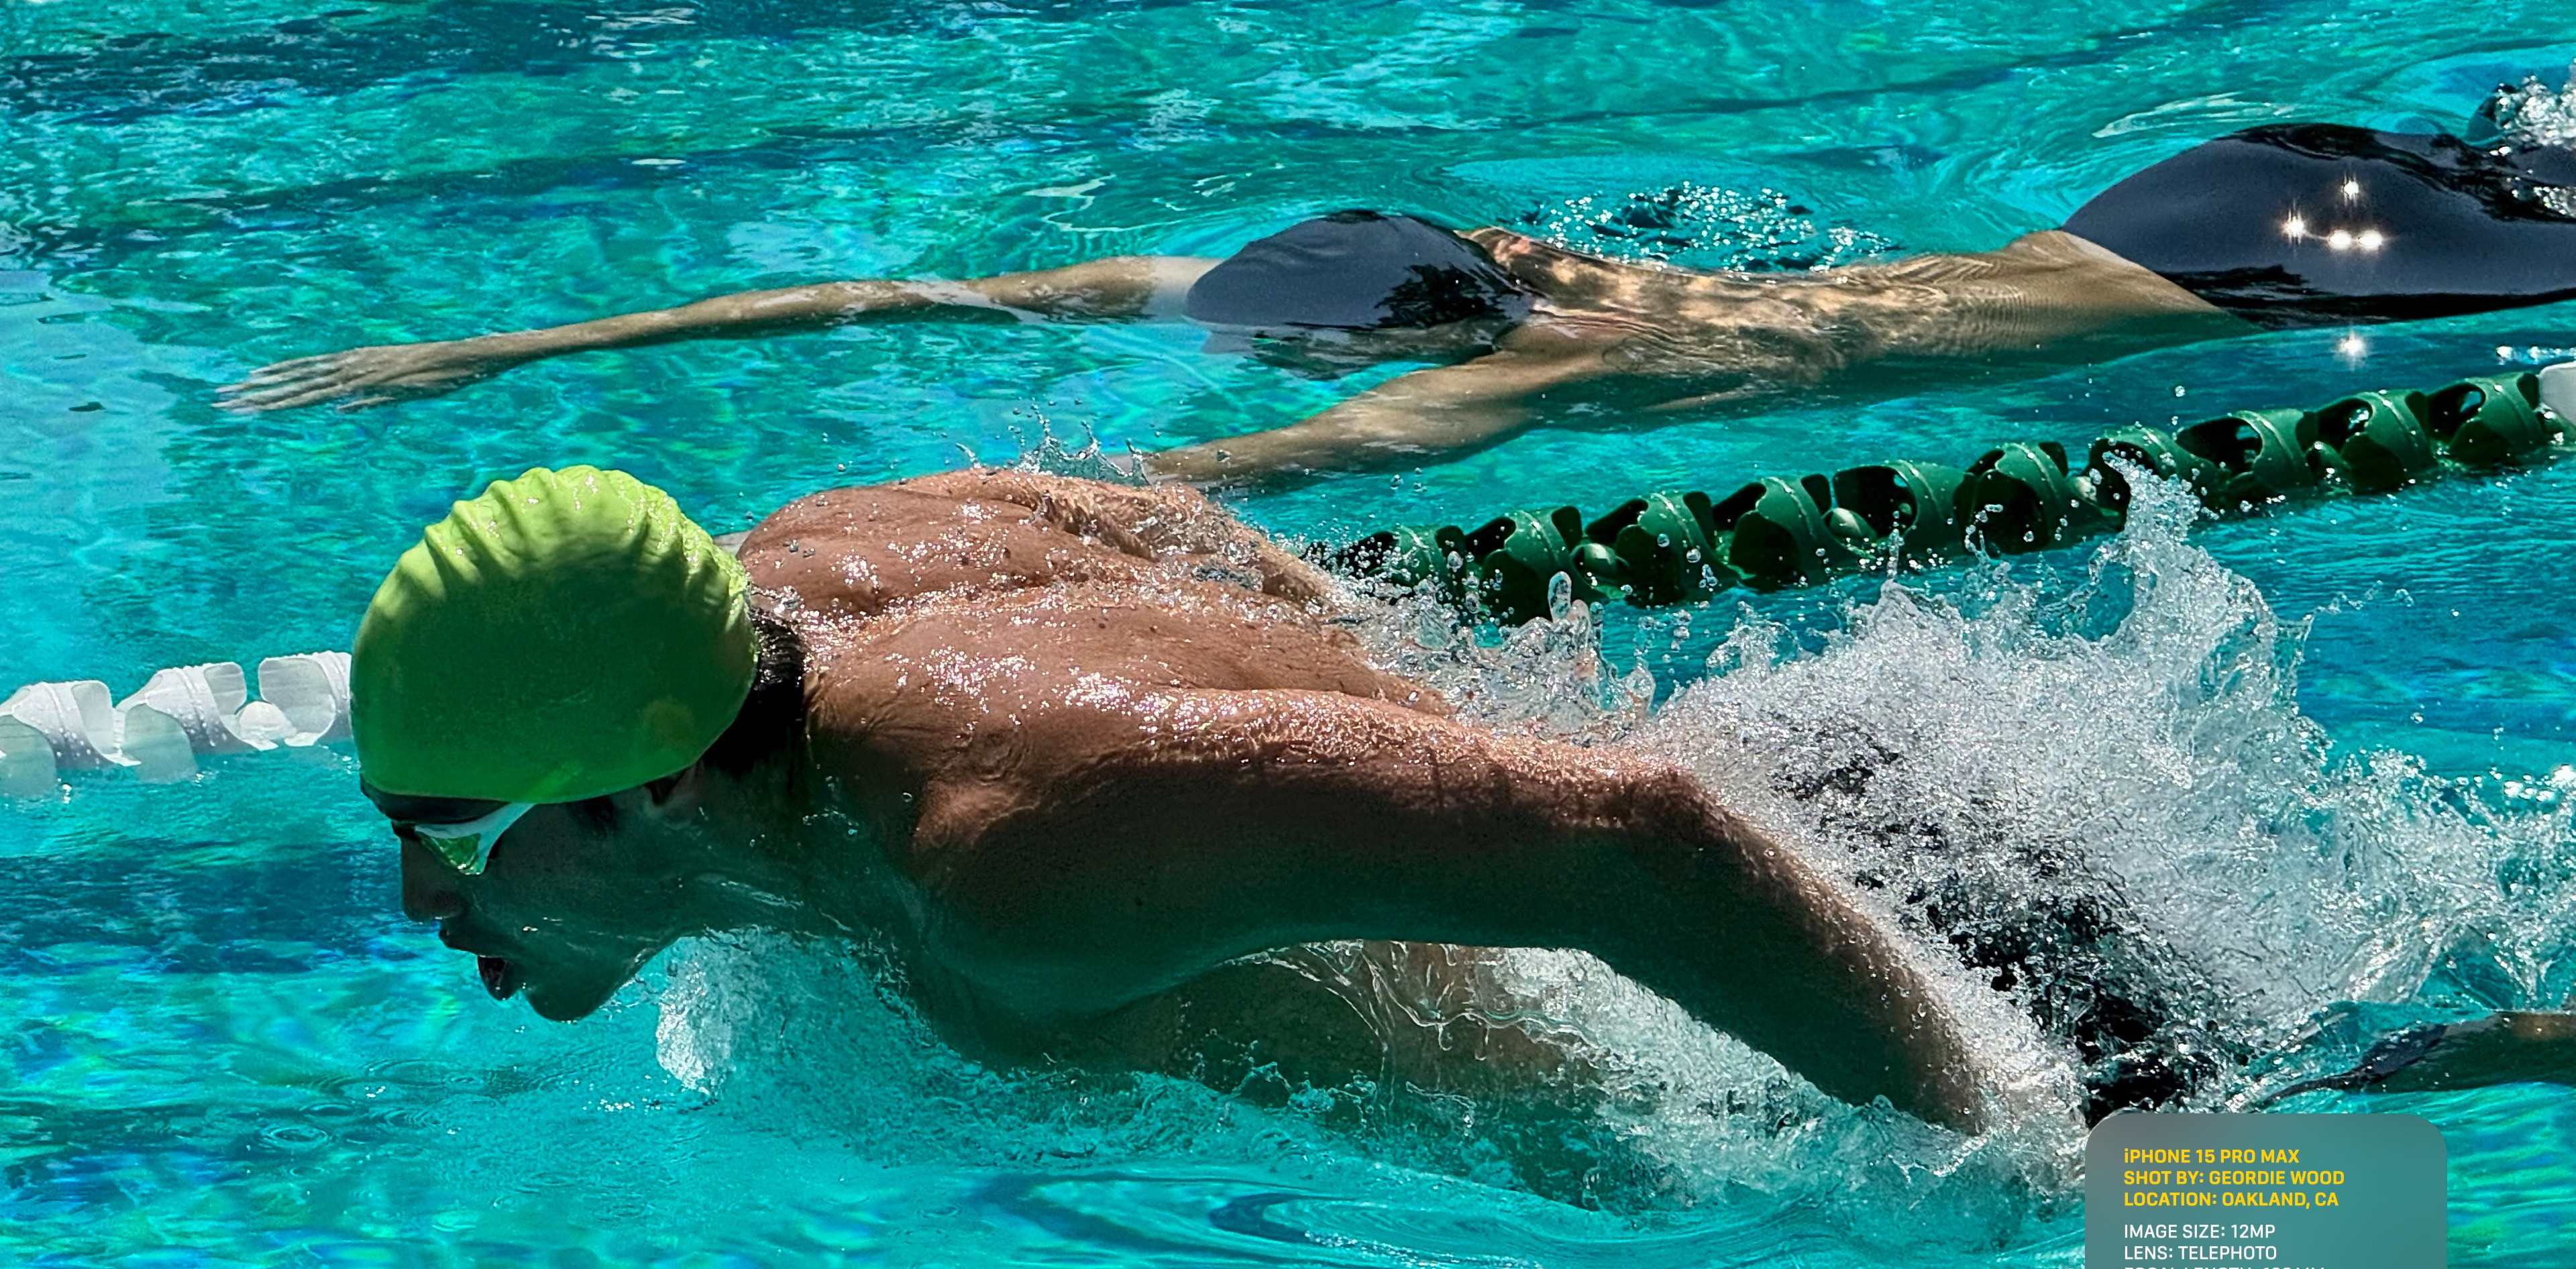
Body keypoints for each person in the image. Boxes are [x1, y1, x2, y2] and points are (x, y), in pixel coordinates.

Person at [360, 463, 2576, 1136]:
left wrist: (2006, 1141)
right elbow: (1140, 518)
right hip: (1824, 798)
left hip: (1837, 962)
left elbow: (1635, 847)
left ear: (641, 796)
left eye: (449, 837)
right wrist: (1388, 736)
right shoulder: (796, 573)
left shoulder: (1004, 871)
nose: (416, 901)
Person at [228, 123, 2576, 490]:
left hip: (2226, 270)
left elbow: (1265, 471)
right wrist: (508, 349)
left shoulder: (1563, 353)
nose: (1267, 354)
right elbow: (885, 286)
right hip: (2184, 193)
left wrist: (948, 519)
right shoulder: (1363, 277)